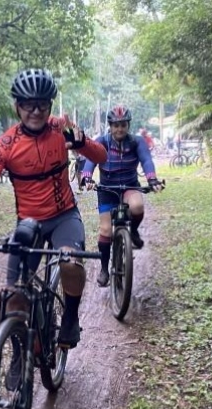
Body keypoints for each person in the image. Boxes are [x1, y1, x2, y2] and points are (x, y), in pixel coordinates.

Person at [0, 68, 107, 387]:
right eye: (28, 104)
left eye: (43, 104)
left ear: (49, 105)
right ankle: (17, 354)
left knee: (70, 261)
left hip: (64, 216)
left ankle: (69, 318)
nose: (36, 111)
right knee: (13, 296)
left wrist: (81, 141)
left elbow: (101, 156)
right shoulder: (5, 144)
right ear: (17, 106)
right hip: (29, 223)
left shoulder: (61, 130)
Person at [81, 104, 163, 288]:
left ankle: (132, 230)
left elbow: (146, 160)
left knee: (137, 207)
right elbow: (90, 162)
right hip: (106, 190)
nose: (119, 129)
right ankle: (104, 269)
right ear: (110, 126)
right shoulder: (101, 141)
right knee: (105, 231)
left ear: (128, 125)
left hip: (129, 186)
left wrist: (152, 179)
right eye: (116, 125)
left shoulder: (136, 142)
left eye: (123, 125)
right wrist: (86, 178)